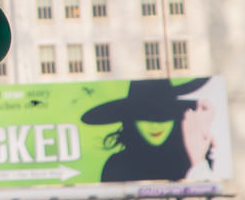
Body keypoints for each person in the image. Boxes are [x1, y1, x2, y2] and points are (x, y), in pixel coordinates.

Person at [80, 78, 214, 184]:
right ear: (132, 121)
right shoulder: (117, 165)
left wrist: (198, 159)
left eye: (162, 118)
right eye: (146, 118)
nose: (155, 126)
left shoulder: (195, 158)